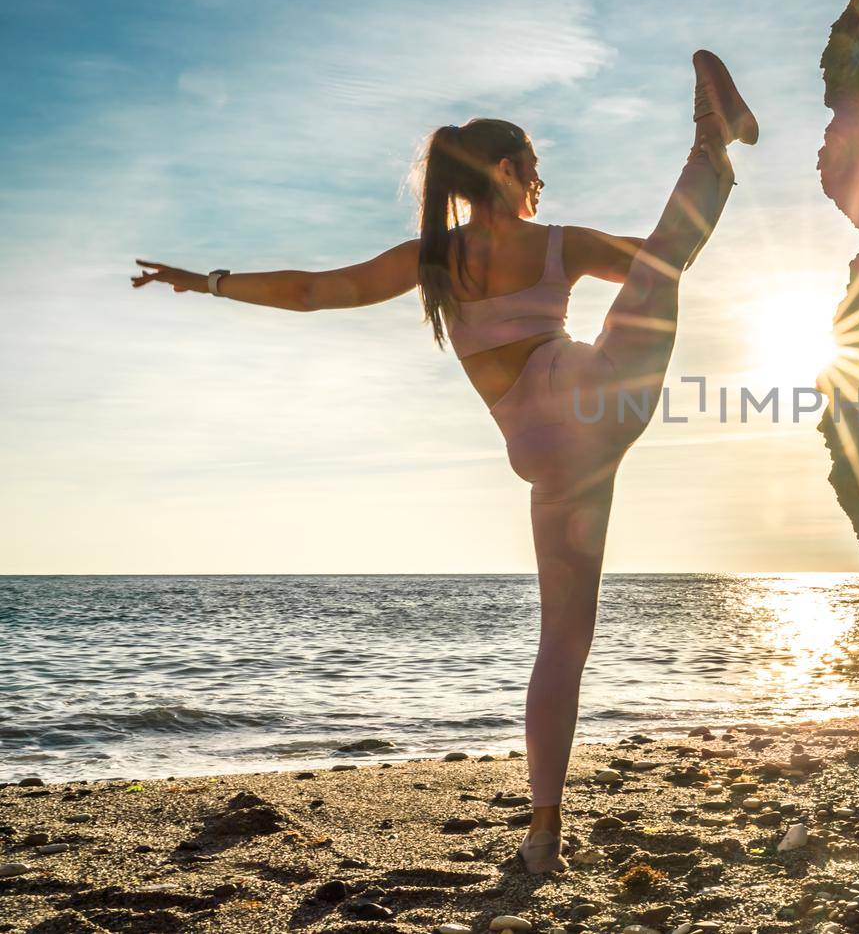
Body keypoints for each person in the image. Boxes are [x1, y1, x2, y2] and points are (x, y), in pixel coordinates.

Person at [130, 50, 758, 875]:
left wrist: (210, 282)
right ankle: (713, 140)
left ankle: (543, 832)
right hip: (594, 403)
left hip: (546, 459)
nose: (541, 181)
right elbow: (668, 253)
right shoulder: (555, 243)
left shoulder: (431, 260)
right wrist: (695, 206)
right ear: (505, 169)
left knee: (561, 644)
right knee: (663, 265)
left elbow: (316, 290)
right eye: (534, 166)